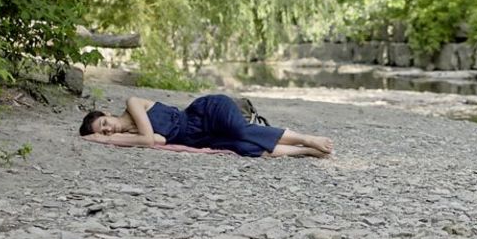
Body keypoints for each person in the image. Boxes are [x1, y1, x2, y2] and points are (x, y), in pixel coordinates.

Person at [79, 94, 333, 158]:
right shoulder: (134, 136)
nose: (108, 130)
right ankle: (305, 151)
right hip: (201, 139)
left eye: (104, 123)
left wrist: (104, 141)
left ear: (108, 113)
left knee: (242, 131)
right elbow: (157, 141)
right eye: (104, 132)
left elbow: (148, 139)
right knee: (244, 147)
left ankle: (306, 138)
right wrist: (103, 139)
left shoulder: (133, 103)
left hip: (207, 112)